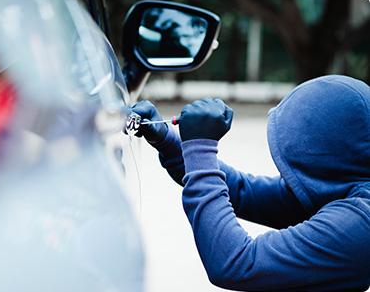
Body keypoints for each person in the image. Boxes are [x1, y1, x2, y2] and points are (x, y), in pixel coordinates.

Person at [130, 75, 370, 291]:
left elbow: (237, 263)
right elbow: (245, 191)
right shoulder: (344, 185)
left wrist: (200, 147)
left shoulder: (360, 223)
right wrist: (166, 139)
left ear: (323, 158)